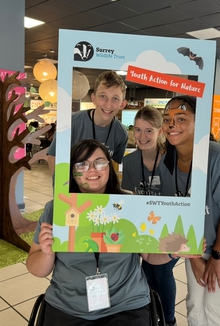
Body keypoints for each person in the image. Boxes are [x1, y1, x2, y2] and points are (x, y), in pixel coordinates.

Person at [27, 139, 195, 325]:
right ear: (72, 172)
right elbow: (36, 269)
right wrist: (46, 252)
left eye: (99, 162)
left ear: (109, 167)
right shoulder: (56, 209)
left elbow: (149, 254)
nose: (92, 169)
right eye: (82, 164)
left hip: (127, 304)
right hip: (67, 305)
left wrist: (172, 252)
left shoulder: (129, 203)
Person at [158, 95, 220, 326]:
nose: (171, 125)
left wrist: (217, 257)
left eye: (181, 118)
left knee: (216, 306)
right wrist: (193, 257)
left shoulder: (219, 158)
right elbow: (176, 213)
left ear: (199, 123)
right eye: (167, 119)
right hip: (197, 240)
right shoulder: (167, 160)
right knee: (195, 304)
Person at [121, 106, 178, 326]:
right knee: (146, 271)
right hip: (143, 228)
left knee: (162, 271)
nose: (142, 136)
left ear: (160, 132)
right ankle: (153, 315)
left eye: (148, 131)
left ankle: (169, 320)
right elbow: (128, 199)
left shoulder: (172, 160)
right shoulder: (129, 161)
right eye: (137, 130)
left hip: (168, 228)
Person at [46, 70, 128, 174]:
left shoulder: (121, 133)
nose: (108, 105)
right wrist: (61, 187)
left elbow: (113, 166)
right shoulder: (71, 123)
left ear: (122, 104)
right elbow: (53, 157)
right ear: (94, 98)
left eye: (115, 99)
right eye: (103, 96)